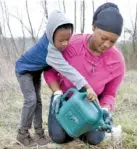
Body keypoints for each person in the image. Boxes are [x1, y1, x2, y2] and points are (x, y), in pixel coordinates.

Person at [44, 2, 125, 145]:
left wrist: (105, 108)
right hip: (65, 98)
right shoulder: (70, 44)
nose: (106, 44)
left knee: (94, 139)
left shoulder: (117, 62)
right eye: (103, 38)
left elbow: (110, 94)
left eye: (112, 41)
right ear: (94, 27)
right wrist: (57, 92)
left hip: (91, 104)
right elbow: (49, 70)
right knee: (59, 137)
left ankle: (91, 130)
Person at [15, 10, 97, 147]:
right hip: (24, 71)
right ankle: (22, 134)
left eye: (67, 39)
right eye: (61, 40)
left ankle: (39, 133)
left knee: (38, 102)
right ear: (51, 34)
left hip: (35, 72)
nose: (65, 44)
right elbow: (69, 71)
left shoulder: (52, 36)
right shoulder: (51, 50)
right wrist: (87, 87)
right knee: (31, 100)